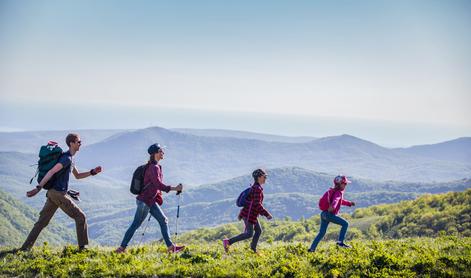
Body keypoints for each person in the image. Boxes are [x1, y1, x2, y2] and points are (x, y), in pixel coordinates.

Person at [21, 133, 102, 251]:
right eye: (78, 142)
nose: (80, 144)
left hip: (53, 193)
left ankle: (25, 248)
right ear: (71, 143)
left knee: (41, 222)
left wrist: (92, 172)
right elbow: (51, 172)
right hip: (58, 194)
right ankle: (82, 248)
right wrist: (38, 188)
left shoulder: (70, 158)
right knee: (80, 217)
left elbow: (78, 176)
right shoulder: (66, 158)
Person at [116, 143, 184, 253]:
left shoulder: (154, 166)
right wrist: (175, 188)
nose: (163, 153)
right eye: (161, 151)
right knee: (135, 225)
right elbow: (158, 185)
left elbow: (156, 185)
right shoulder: (154, 167)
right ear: (156, 153)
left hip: (149, 201)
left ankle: (171, 247)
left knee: (163, 220)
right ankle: (121, 248)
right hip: (145, 201)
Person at [223, 169, 273, 253]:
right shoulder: (257, 189)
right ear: (259, 177)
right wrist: (266, 214)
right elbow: (257, 204)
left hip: (251, 213)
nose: (265, 179)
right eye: (264, 177)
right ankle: (228, 242)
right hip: (249, 214)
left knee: (258, 230)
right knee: (249, 234)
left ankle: (253, 250)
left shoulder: (256, 187)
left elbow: (254, 204)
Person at [308, 175, 355, 252]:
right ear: (340, 184)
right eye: (345, 183)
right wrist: (333, 207)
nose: (345, 185)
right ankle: (340, 242)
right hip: (329, 214)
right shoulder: (338, 192)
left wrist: (349, 203)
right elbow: (336, 200)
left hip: (323, 214)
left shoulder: (332, 191)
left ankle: (312, 249)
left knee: (321, 233)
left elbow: (340, 201)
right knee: (345, 224)